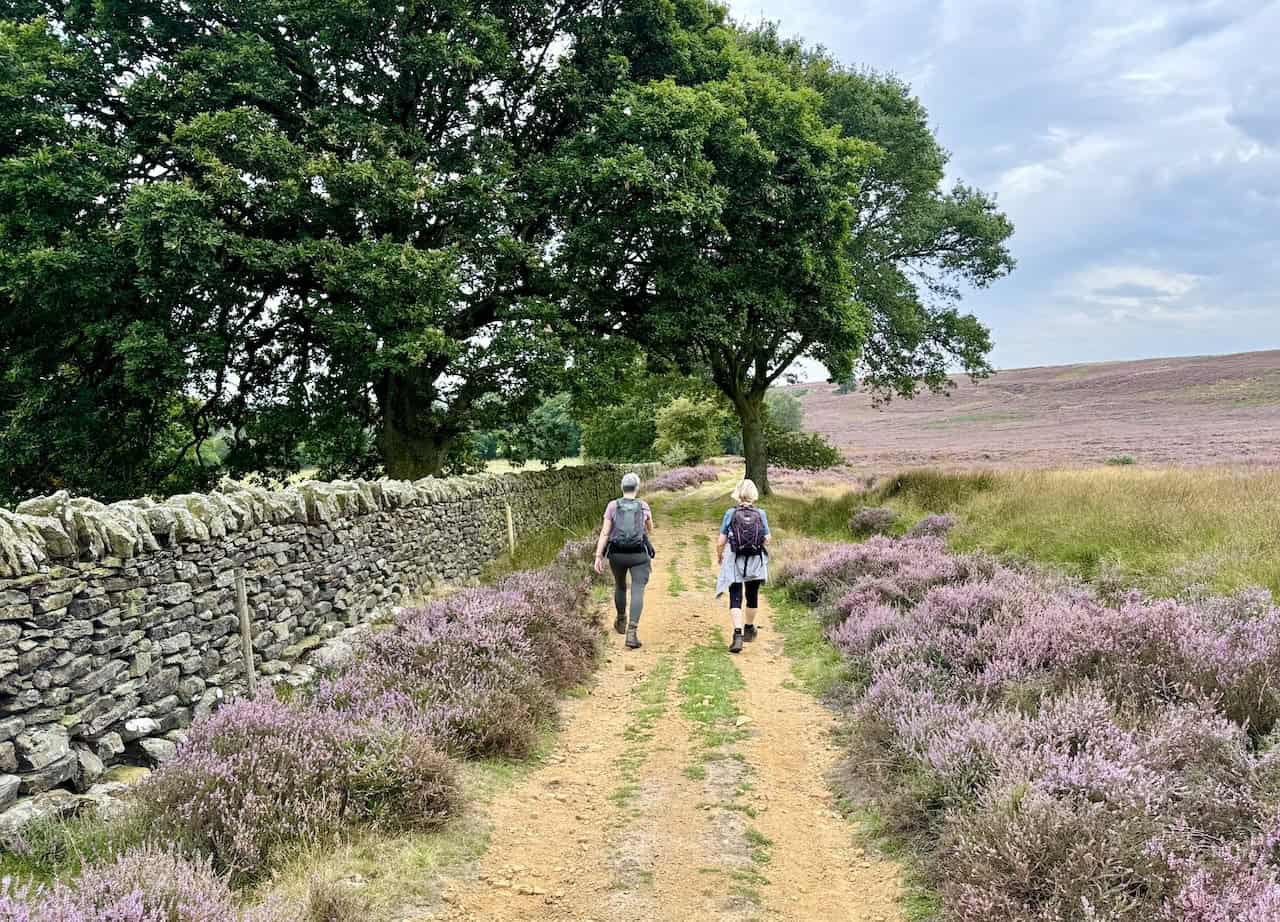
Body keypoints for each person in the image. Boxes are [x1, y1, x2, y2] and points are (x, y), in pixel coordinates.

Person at [594, 472, 655, 650]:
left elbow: (605, 532)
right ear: (637, 487)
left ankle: (621, 620)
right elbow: (650, 529)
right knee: (637, 591)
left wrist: (598, 556)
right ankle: (632, 633)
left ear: (622, 487)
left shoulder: (612, 506)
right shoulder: (643, 506)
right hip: (638, 555)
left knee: (620, 585)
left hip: (617, 555)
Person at [715, 478, 770, 654]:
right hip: (754, 559)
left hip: (734, 559)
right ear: (754, 495)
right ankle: (749, 628)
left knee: (735, 596)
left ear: (737, 494)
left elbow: (721, 541)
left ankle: (737, 635)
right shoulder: (760, 514)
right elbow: (767, 539)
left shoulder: (730, 513)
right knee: (752, 595)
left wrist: (719, 555)